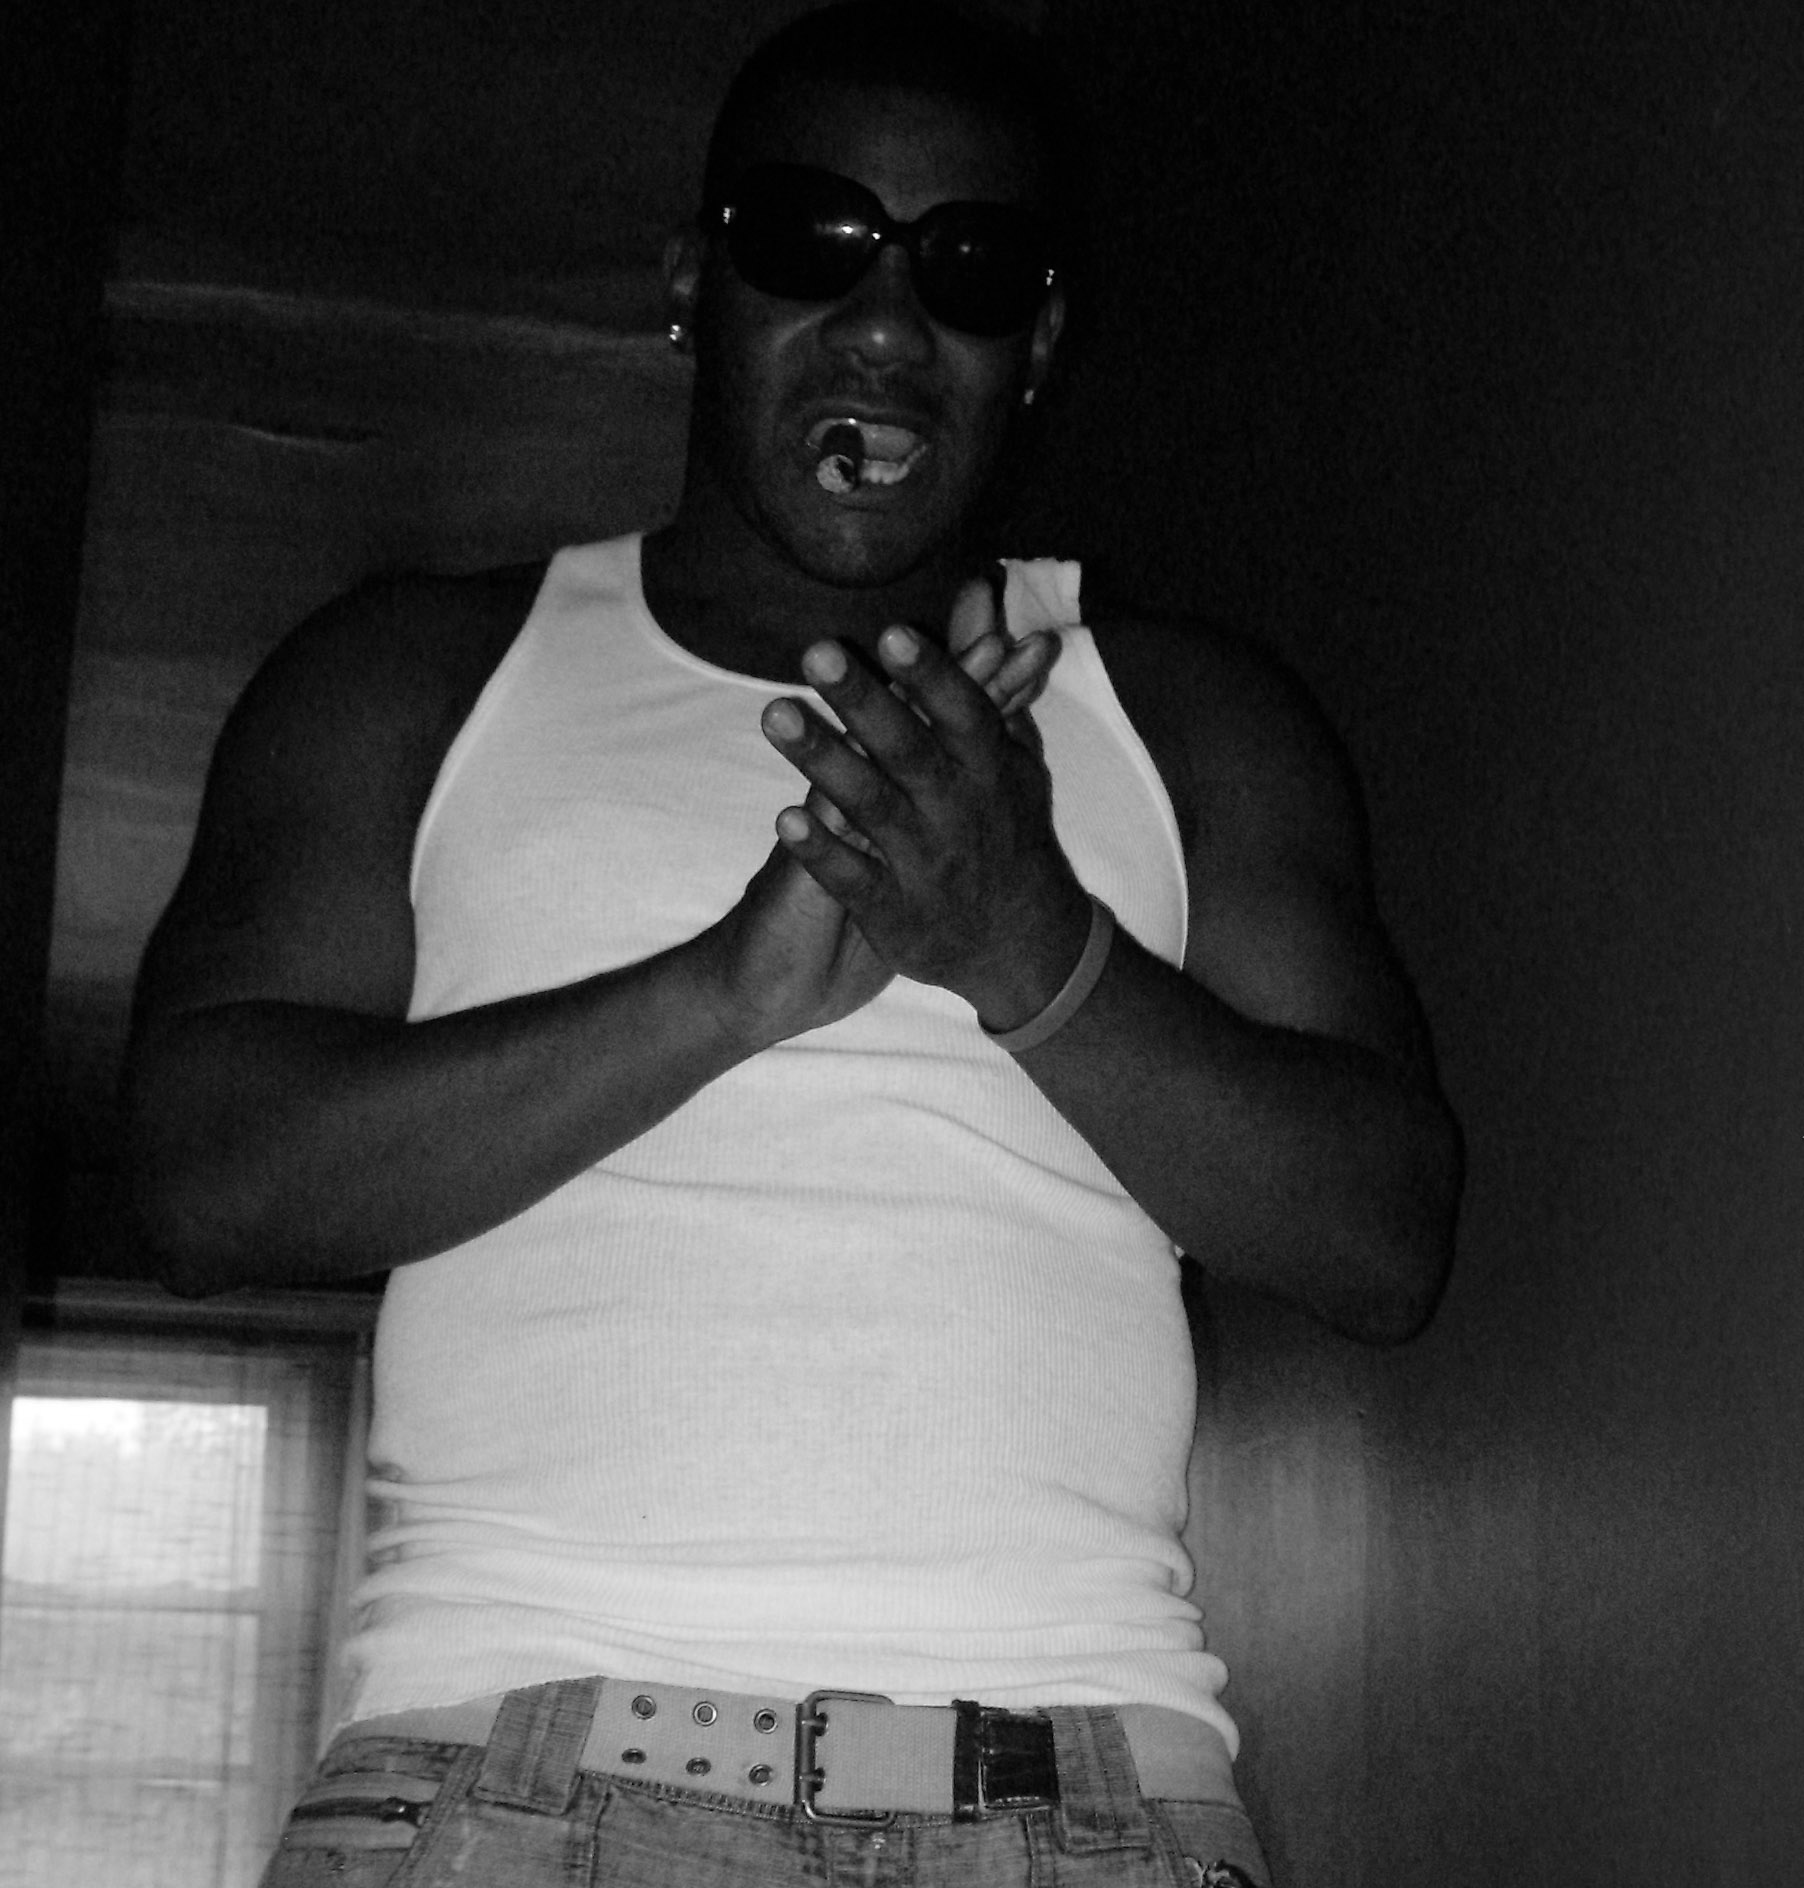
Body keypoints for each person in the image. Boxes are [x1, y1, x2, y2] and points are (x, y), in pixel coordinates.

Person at [125, 4, 1462, 1884]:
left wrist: (1027, 946)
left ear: (1038, 343)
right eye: (810, 241)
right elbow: (206, 1182)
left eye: (967, 268)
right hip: (505, 1764)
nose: (886, 324)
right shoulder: (415, 680)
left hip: (1086, 1792)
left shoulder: (1194, 725)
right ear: (696, 285)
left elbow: (1384, 1237)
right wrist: (725, 997)